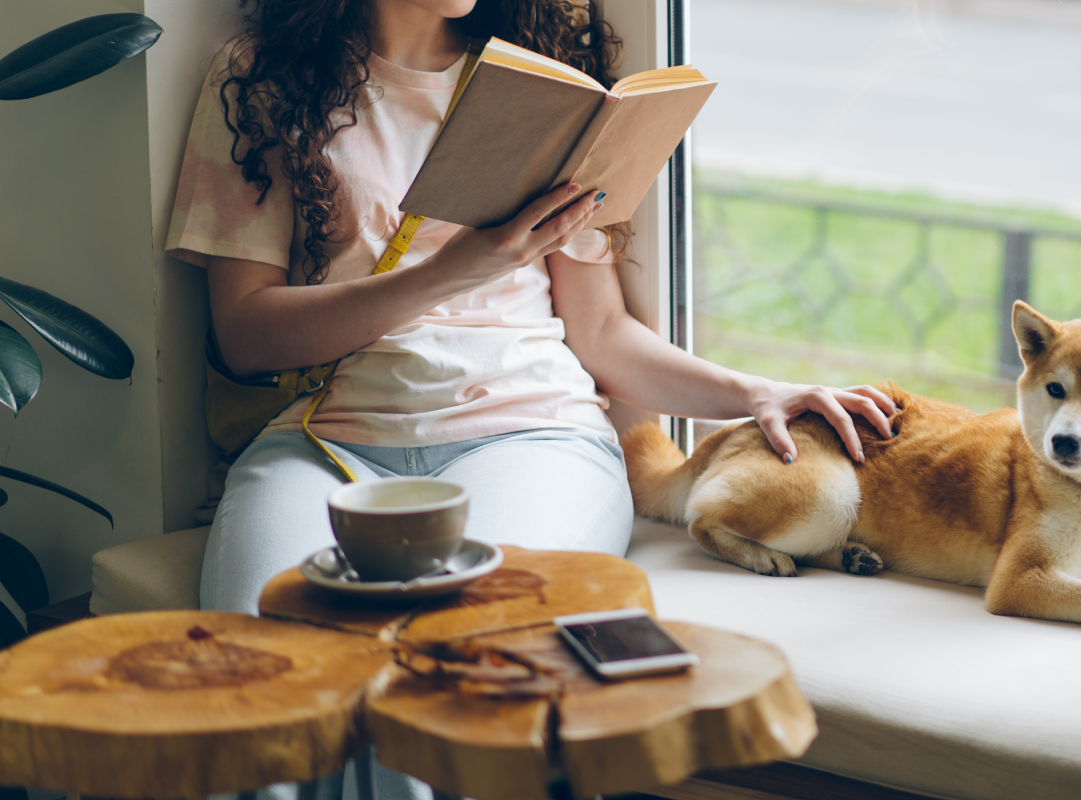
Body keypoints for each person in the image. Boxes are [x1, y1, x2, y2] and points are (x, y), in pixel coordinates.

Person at [167, 0, 893, 639]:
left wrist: (755, 393)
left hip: (532, 436)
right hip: (325, 443)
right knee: (263, 657)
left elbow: (602, 333)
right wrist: (452, 271)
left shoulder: (544, 84)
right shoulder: (266, 78)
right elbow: (246, 334)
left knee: (473, 648)